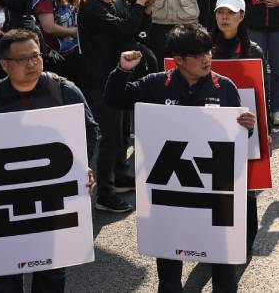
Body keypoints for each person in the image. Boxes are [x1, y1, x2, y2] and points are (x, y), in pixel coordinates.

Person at [105, 24, 256, 293]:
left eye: (208, 52)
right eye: (197, 55)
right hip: (170, 191)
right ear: (178, 60)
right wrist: (122, 70)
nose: (206, 59)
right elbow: (114, 99)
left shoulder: (225, 87)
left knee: (223, 268)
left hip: (214, 191)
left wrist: (248, 127)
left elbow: (236, 141)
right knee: (169, 270)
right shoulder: (155, 84)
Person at [0, 29, 98, 293]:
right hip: (6, 202)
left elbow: (90, 129)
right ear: (4, 65)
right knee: (4, 277)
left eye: (36, 56)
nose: (31, 64)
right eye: (22, 59)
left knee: (52, 273)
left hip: (52, 199)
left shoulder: (63, 91)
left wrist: (83, 165)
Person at [76, 0, 159, 213]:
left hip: (120, 76)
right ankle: (105, 193)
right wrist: (140, 1)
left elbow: (134, 31)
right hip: (101, 80)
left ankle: (120, 176)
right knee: (110, 137)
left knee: (123, 132)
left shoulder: (113, 4)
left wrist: (145, 11)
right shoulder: (91, 8)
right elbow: (123, 29)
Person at [211, 0, 267, 256]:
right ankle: (216, 238)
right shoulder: (205, 47)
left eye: (230, 13)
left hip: (244, 127)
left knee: (246, 187)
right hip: (210, 126)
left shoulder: (252, 50)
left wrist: (264, 130)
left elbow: (261, 93)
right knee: (214, 184)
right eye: (220, 12)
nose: (224, 17)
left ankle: (245, 240)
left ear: (241, 16)